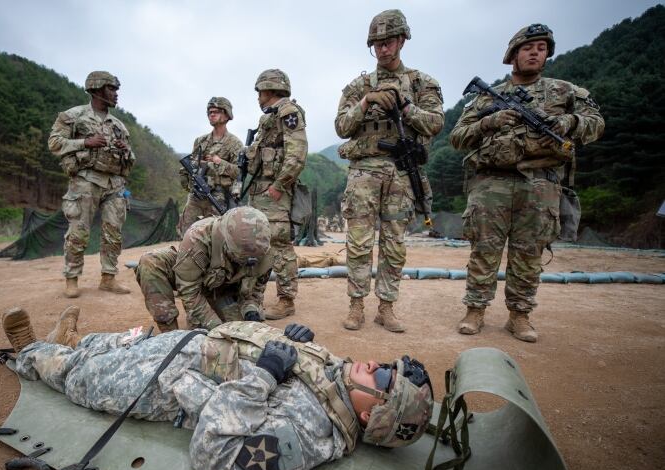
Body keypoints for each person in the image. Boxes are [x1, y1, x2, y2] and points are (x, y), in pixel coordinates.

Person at [1, 306, 433, 470]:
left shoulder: (309, 436)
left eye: (383, 382)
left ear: (371, 418)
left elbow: (212, 456)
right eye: (386, 366)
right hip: (192, 346)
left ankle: (31, 353)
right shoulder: (340, 379)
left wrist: (262, 378)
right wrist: (290, 340)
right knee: (122, 342)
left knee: (84, 377)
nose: (376, 367)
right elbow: (291, 365)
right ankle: (73, 340)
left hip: (163, 385)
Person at [449, 24, 605, 342]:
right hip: (491, 182)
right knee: (484, 250)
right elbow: (457, 136)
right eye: (528, 47)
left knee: (529, 253)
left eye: (542, 48)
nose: (535, 52)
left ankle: (519, 315)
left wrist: (569, 121)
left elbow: (596, 123)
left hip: (540, 183)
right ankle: (475, 310)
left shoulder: (566, 92)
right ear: (513, 55)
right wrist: (489, 122)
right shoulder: (485, 98)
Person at [335, 9, 444, 333]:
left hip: (401, 172)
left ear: (401, 41)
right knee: (358, 243)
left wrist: (405, 107)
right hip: (364, 171)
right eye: (377, 44)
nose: (383, 49)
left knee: (395, 243)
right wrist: (366, 101)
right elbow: (341, 126)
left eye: (389, 42)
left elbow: (436, 123)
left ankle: (386, 307)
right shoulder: (357, 86)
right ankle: (356, 305)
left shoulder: (423, 83)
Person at [48, 71, 136, 298]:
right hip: (85, 180)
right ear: (96, 89)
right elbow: (54, 143)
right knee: (79, 231)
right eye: (111, 89)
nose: (116, 94)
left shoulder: (118, 125)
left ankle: (108, 278)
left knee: (113, 232)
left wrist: (125, 150)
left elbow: (130, 157)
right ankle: (72, 278)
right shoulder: (73, 116)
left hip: (115, 184)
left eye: (116, 90)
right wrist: (85, 142)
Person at [136, 207, 273, 333]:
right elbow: (188, 289)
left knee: (239, 333)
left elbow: (255, 292)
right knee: (150, 262)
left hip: (224, 290)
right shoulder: (198, 237)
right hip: (194, 281)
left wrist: (251, 311)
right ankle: (170, 333)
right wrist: (215, 325)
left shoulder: (264, 251)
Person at [246, 69, 308, 320]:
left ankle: (286, 299)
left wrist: (279, 186)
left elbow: (297, 155)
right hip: (261, 190)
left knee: (280, 245)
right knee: (259, 243)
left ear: (270, 89)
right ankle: (254, 296)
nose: (258, 97)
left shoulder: (288, 112)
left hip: (275, 193)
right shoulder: (268, 118)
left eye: (260, 91)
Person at [178, 97, 243, 235]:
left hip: (218, 196)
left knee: (216, 235)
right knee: (186, 232)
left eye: (216, 111)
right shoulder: (200, 141)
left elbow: (239, 172)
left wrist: (219, 162)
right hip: (196, 194)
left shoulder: (234, 143)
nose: (211, 114)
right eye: (209, 112)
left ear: (226, 115)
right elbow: (190, 166)